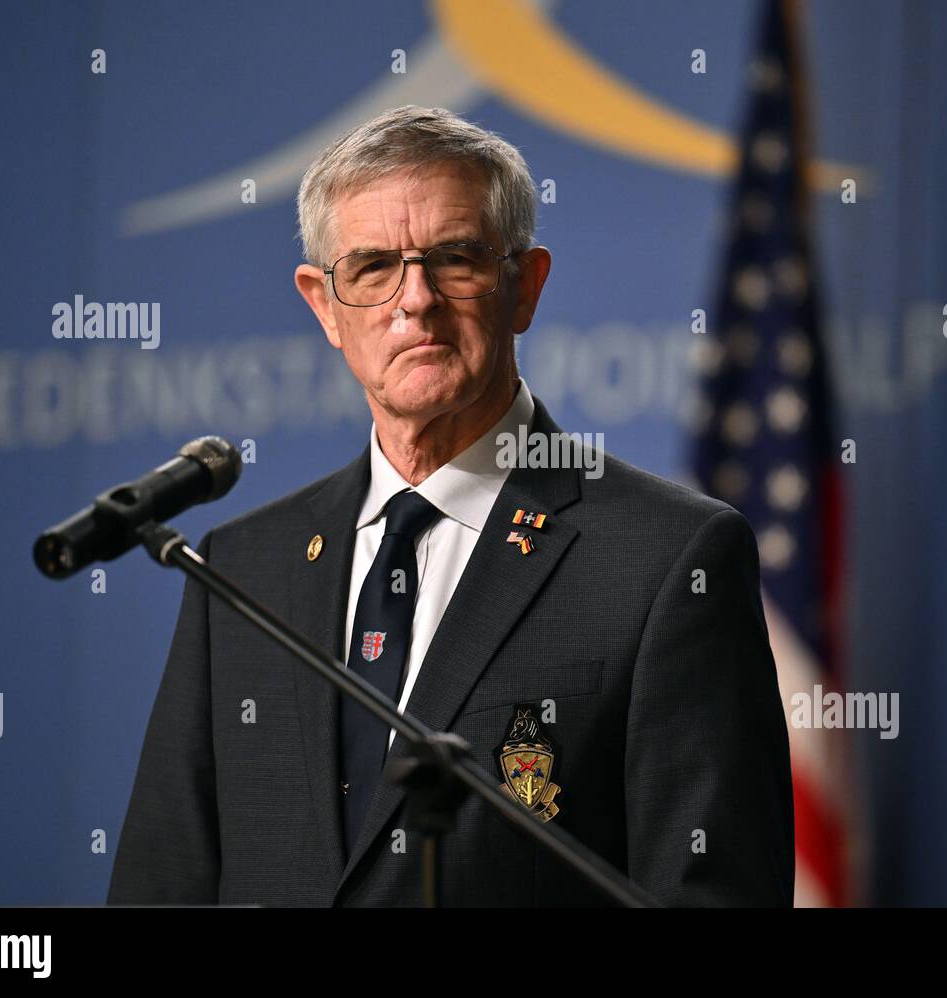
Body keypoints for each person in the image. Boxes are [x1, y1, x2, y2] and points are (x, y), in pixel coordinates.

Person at [107, 104, 793, 907]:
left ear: (525, 287)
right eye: (371, 268)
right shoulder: (240, 569)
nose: (416, 301)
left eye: (456, 259)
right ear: (323, 306)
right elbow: (161, 887)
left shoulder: (667, 558)